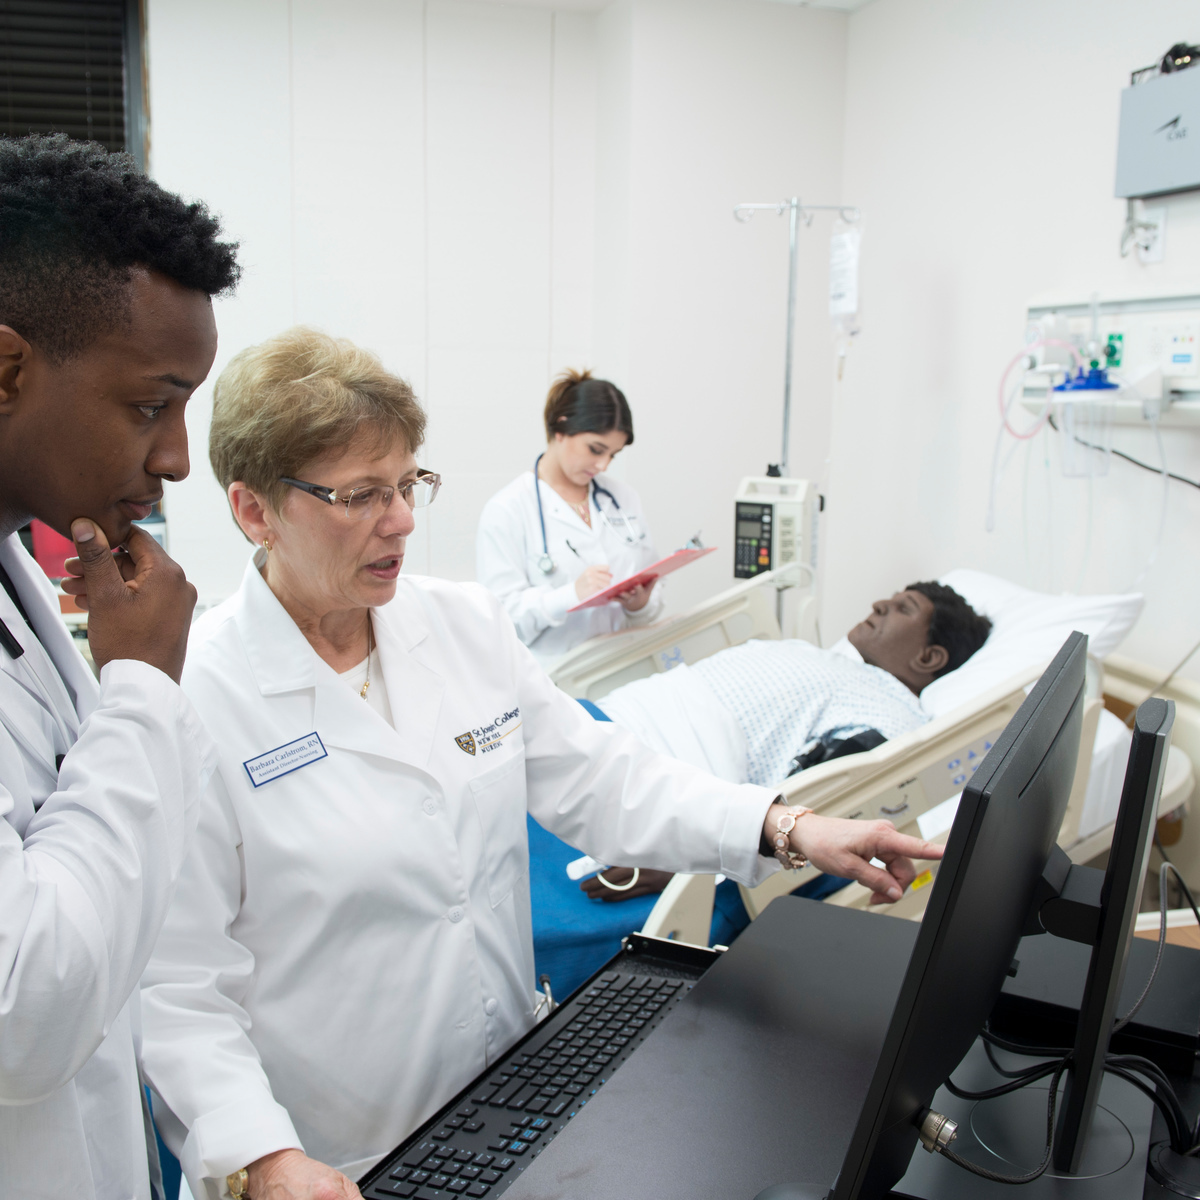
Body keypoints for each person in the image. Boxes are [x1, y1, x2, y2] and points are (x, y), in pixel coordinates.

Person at [139, 328, 943, 1200]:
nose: (403, 519)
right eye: (363, 494)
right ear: (255, 511)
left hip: (503, 1104)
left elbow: (602, 780)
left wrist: (784, 825)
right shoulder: (191, 693)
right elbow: (176, 981)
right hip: (334, 1161)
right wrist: (262, 1160)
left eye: (410, 483)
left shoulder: (460, 626)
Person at [0, 135, 239, 1198]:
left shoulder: (21, 568)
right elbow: (25, 1012)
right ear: (7, 368)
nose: (178, 456)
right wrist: (138, 690)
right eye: (152, 405)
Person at [574, 582, 992, 903]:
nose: (879, 605)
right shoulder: (821, 656)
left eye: (903, 609)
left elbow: (818, 813)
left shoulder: (892, 715)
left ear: (928, 658)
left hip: (648, 780)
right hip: (601, 723)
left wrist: (687, 866)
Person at [476, 370, 664, 664]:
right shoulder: (508, 509)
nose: (603, 465)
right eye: (596, 449)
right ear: (561, 429)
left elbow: (653, 587)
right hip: (553, 682)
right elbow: (503, 619)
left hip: (625, 665)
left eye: (613, 454)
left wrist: (640, 605)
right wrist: (570, 594)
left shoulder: (624, 498)